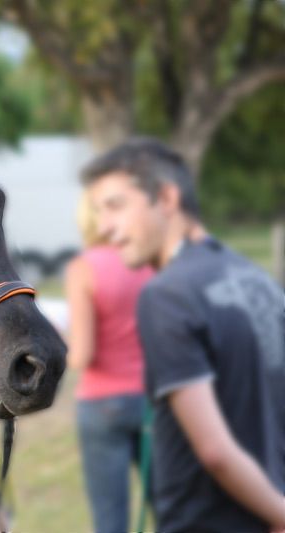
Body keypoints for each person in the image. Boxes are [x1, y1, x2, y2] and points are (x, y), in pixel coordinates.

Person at [81, 137, 285, 532]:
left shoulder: (166, 295)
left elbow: (214, 452)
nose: (104, 228)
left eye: (115, 206)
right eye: (98, 212)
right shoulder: (257, 278)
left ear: (167, 198)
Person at [65, 196, 153, 533]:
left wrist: (63, 343)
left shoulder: (83, 268)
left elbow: (83, 355)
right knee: (171, 509)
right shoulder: (148, 263)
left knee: (110, 517)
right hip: (153, 400)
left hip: (102, 403)